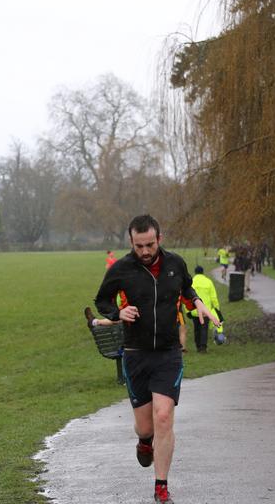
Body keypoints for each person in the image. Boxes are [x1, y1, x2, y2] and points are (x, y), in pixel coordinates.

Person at [94, 214, 220, 504]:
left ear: (159, 239)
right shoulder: (121, 269)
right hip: (136, 354)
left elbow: (186, 288)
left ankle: (161, 486)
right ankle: (143, 441)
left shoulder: (175, 264)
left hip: (167, 353)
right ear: (131, 242)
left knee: (163, 417)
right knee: (146, 427)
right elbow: (102, 300)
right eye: (139, 246)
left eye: (150, 244)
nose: (145, 251)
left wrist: (197, 302)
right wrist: (117, 313)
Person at [190, 265, 220, 353]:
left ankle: (198, 346)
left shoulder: (192, 282)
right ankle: (203, 347)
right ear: (203, 272)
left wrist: (188, 311)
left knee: (196, 328)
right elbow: (214, 297)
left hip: (195, 310)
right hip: (206, 310)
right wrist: (217, 309)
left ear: (195, 272)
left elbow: (188, 296)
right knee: (204, 328)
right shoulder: (208, 282)